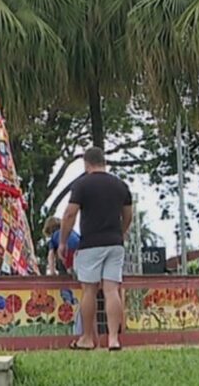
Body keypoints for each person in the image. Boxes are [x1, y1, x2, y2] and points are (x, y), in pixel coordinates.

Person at [59, 147, 132, 351]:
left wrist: (63, 241)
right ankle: (113, 339)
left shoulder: (82, 184)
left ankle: (88, 338)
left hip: (91, 243)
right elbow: (128, 215)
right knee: (111, 290)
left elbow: (69, 214)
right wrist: (121, 233)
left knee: (89, 290)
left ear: (86, 163)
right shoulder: (120, 185)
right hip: (115, 243)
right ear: (104, 162)